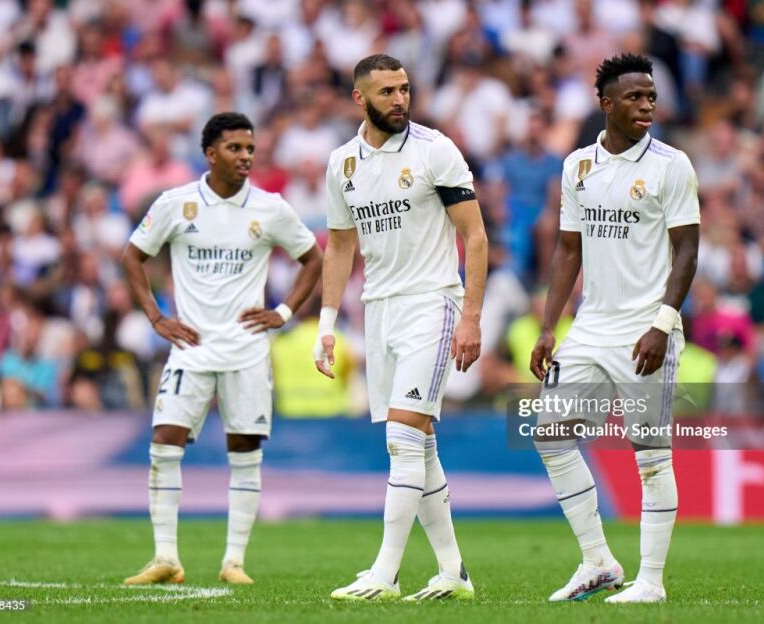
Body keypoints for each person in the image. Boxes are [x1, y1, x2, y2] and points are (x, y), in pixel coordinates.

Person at [120, 112, 322, 585]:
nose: (245, 156)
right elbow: (133, 255)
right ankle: (166, 557)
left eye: (250, 148)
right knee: (164, 441)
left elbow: (313, 258)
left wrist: (283, 312)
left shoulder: (270, 208)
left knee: (244, 448)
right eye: (235, 148)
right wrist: (156, 317)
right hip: (191, 347)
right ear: (210, 154)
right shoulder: (176, 204)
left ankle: (234, 562)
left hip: (246, 349)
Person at [315, 54, 488, 602]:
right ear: (359, 98)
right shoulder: (342, 163)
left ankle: (384, 574)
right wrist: (326, 323)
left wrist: (471, 316)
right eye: (387, 91)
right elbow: (339, 245)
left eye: (405, 89)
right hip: (379, 309)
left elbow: (475, 236)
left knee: (403, 437)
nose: (399, 100)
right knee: (420, 445)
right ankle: (453, 572)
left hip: (431, 304)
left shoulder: (435, 150)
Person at [529, 54, 700, 604]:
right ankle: (598, 562)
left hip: (646, 327)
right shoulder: (578, 166)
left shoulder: (672, 165)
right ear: (606, 104)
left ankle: (650, 581)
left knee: (649, 453)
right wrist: (548, 327)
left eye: (651, 97)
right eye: (635, 97)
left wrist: (663, 323)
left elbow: (687, 250)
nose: (647, 106)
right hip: (591, 327)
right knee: (549, 433)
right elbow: (568, 250)